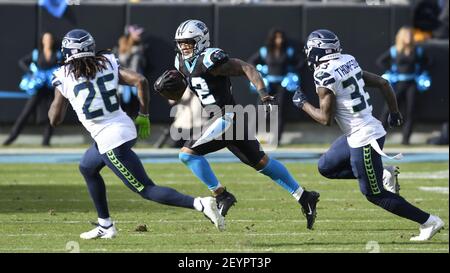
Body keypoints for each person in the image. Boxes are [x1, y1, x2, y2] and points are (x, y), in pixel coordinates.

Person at [48, 29, 224, 239]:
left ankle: (200, 204)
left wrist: (58, 93)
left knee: (146, 189)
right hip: (124, 128)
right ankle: (105, 225)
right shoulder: (106, 61)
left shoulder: (63, 76)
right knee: (87, 167)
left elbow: (55, 120)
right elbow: (140, 80)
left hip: (110, 140)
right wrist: (143, 114)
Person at [154, 19, 320, 230]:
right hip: (224, 119)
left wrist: (263, 94)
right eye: (181, 43)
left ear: (201, 40)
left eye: (188, 42)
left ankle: (222, 195)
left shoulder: (209, 59)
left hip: (227, 118)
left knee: (187, 154)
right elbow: (193, 85)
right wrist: (173, 90)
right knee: (262, 163)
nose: (184, 46)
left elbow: (246, 68)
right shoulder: (180, 62)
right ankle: (304, 196)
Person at [292, 29, 444, 241]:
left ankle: (429, 221)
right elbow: (383, 83)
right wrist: (394, 112)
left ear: (318, 50)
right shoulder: (348, 60)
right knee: (326, 166)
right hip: (361, 131)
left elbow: (325, 119)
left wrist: (302, 104)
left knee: (374, 194)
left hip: (364, 138)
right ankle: (382, 172)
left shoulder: (324, 73)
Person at [3, 32, 61, 146]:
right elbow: (22, 62)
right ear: (42, 41)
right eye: (46, 39)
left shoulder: (58, 54)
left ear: (52, 41)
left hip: (51, 89)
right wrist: (31, 73)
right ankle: (12, 137)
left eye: (50, 39)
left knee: (52, 114)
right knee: (26, 113)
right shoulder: (36, 53)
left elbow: (63, 67)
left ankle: (46, 141)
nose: (48, 41)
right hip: (38, 88)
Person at [377, 26, 431, 145]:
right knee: (388, 110)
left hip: (412, 83)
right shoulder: (395, 50)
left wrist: (421, 72)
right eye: (406, 35)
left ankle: (405, 140)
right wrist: (391, 71)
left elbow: (428, 61)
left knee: (411, 111)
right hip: (397, 84)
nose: (409, 37)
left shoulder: (417, 50)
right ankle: (378, 137)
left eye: (410, 35)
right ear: (401, 37)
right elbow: (381, 61)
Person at [248, 28, 303, 144]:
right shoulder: (265, 51)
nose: (279, 40)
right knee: (260, 108)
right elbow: (251, 61)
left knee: (280, 110)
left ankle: (276, 139)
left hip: (282, 84)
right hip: (267, 84)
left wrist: (291, 70)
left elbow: (300, 62)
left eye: (281, 37)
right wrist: (261, 71)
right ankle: (251, 137)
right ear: (272, 39)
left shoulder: (288, 51)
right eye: (277, 38)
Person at [114, 24, 147, 118]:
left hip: (137, 80)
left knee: (138, 102)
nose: (139, 36)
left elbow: (143, 64)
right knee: (125, 102)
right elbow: (121, 61)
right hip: (125, 81)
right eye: (136, 34)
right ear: (129, 34)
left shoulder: (140, 47)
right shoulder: (121, 46)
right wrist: (133, 52)